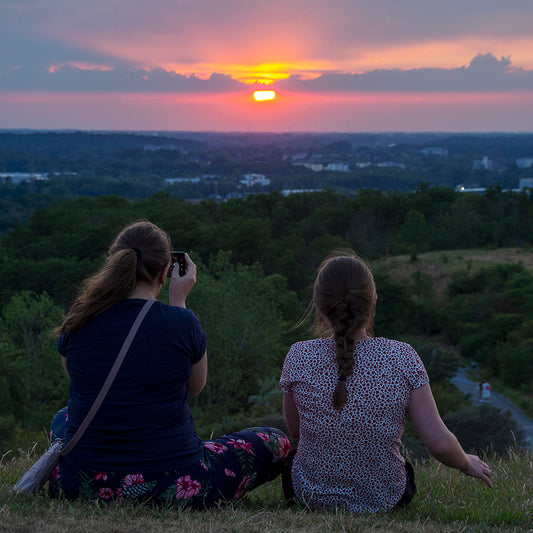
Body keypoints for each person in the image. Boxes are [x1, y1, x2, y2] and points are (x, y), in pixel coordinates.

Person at [49, 220, 290, 507]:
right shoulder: (180, 322)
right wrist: (179, 303)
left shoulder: (79, 318)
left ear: (113, 263)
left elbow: (79, 382)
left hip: (80, 482)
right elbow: (193, 387)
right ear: (166, 271)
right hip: (176, 482)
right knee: (276, 441)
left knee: (62, 417)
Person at [279, 250, 492, 513]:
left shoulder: (298, 355)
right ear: (373, 301)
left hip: (307, 494)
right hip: (385, 499)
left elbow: (296, 430)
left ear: (320, 306)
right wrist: (465, 463)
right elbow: (438, 443)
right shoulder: (403, 356)